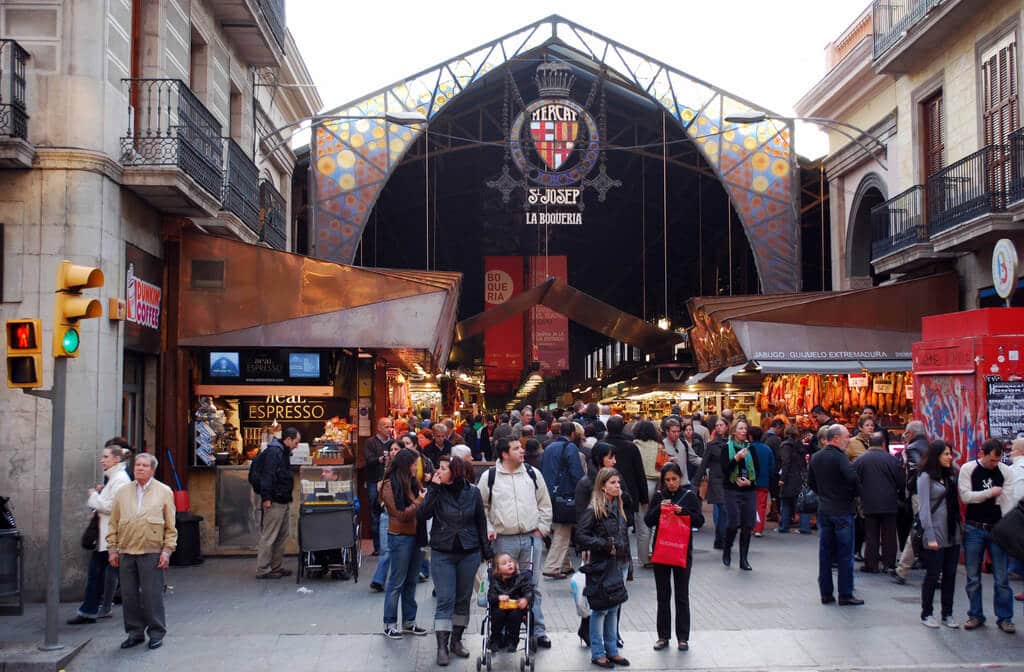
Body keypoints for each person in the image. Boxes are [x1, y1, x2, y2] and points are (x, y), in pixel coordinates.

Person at [478, 437, 553, 649]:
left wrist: (542, 529)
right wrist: (490, 529)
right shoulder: (490, 477)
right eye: (516, 448)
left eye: (521, 447)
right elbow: (481, 507)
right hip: (503, 540)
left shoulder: (532, 474)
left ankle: (538, 631)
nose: (522, 451)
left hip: (531, 537)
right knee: (504, 585)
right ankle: (501, 631)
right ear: (504, 453)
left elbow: (545, 503)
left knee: (532, 586)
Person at [419, 455, 490, 665]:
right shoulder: (437, 491)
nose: (438, 472)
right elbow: (423, 514)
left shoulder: (473, 492)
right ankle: (442, 645)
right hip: (443, 551)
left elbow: (481, 522)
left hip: (469, 551)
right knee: (445, 599)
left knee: (463, 599)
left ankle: (456, 641)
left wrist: (487, 551)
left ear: (455, 471)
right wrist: (433, 488)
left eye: (443, 468)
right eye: (438, 468)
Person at [106, 453, 177, 650]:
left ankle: (156, 632)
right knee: (129, 595)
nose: (140, 468)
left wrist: (167, 551)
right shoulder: (123, 492)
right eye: (137, 464)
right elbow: (113, 523)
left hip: (151, 550)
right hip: (127, 550)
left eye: (145, 465)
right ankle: (134, 632)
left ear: (152, 470)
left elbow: (171, 526)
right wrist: (112, 548)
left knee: (152, 595)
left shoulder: (164, 491)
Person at [68, 445, 132, 625]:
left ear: (116, 459)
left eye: (105, 457)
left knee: (101, 574)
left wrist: (94, 496)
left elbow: (112, 507)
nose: (102, 460)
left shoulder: (119, 479)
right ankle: (93, 610)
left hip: (111, 536)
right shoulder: (116, 478)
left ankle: (91, 611)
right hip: (108, 536)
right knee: (103, 574)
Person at [958, 438, 1016, 633]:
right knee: (973, 576)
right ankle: (975, 614)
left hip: (996, 527)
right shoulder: (968, 469)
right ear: (982, 454)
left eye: (997, 461)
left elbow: (1006, 501)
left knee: (1002, 578)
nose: (994, 464)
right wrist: (991, 493)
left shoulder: (1004, 471)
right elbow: (966, 497)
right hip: (974, 527)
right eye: (991, 460)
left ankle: (1005, 617)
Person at [645, 462, 704, 652]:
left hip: (682, 552)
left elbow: (699, 520)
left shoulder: (688, 496)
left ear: (680, 478)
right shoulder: (659, 496)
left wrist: (684, 512)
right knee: (663, 596)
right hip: (662, 551)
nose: (671, 483)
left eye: (674, 479)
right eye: (667, 480)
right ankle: (663, 636)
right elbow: (648, 521)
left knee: (681, 595)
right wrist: (659, 509)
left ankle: (683, 637)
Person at [575, 468, 630, 669]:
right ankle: (598, 653)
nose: (618, 486)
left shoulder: (618, 506)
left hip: (619, 563)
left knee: (614, 606)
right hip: (601, 566)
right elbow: (580, 536)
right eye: (613, 483)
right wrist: (603, 544)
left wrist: (629, 566)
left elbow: (623, 535)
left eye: (618, 482)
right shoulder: (594, 510)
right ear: (602, 486)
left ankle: (612, 650)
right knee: (600, 609)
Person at [808, 424, 863, 606]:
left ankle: (826, 593)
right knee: (844, 554)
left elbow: (812, 483)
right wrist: (853, 495)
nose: (848, 440)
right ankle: (845, 593)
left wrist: (823, 494)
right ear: (836, 438)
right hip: (842, 510)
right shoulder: (841, 458)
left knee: (825, 553)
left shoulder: (816, 458)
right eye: (846, 437)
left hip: (824, 509)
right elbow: (853, 478)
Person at [381, 448, 428, 639]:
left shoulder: (412, 481)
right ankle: (390, 623)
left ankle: (409, 621)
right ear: (405, 465)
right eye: (413, 464)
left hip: (416, 535)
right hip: (400, 535)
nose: (416, 467)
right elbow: (399, 514)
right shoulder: (388, 485)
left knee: (411, 581)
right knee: (397, 582)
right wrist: (419, 500)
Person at [918, 440, 963, 628]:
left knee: (951, 574)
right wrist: (930, 536)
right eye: (945, 454)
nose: (949, 457)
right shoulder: (925, 477)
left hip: (953, 531)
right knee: (933, 574)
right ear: (936, 456)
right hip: (936, 533)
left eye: (950, 454)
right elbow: (924, 509)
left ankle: (948, 613)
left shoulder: (951, 474)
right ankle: (926, 613)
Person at [854, 431, 904, 573]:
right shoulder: (892, 460)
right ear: (883, 444)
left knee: (871, 534)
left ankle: (871, 563)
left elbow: (855, 480)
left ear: (869, 444)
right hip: (889, 502)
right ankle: (889, 563)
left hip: (869, 502)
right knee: (889, 535)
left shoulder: (861, 460)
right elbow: (901, 481)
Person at [540, 421, 585, 579]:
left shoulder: (549, 448)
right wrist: (581, 491)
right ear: (573, 434)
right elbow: (576, 473)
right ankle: (552, 567)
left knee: (559, 528)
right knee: (563, 530)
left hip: (549, 493)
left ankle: (565, 565)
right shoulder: (570, 448)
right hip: (565, 495)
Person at [604, 416, 650, 566]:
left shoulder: (602, 446)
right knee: (635, 527)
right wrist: (644, 499)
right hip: (630, 493)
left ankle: (614, 559)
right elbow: (639, 473)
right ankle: (636, 559)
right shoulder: (630, 447)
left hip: (607, 492)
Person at [256, 427, 300, 579]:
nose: (297, 445)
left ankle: (275, 566)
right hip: (274, 500)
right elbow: (267, 476)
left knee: (281, 535)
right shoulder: (275, 453)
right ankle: (263, 569)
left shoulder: (283, 452)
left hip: (283, 499)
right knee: (270, 535)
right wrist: (266, 498)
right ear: (288, 439)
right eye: (296, 442)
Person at [719, 419, 759, 570]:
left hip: (748, 490)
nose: (744, 431)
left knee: (748, 524)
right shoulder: (726, 448)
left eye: (745, 429)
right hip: (731, 490)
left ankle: (744, 559)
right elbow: (725, 471)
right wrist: (736, 459)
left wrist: (750, 482)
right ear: (734, 431)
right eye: (741, 429)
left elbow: (758, 471)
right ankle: (727, 548)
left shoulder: (751, 449)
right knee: (733, 523)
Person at [894, 420, 931, 584]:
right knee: (924, 528)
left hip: (919, 493)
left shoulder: (913, 447)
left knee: (918, 529)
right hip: (931, 493)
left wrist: (908, 488)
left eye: (906, 433)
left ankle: (903, 568)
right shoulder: (929, 445)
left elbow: (915, 470)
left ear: (911, 433)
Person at [370, 437, 405, 592]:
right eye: (391, 449)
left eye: (396, 449)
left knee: (398, 549)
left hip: (400, 514)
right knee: (386, 549)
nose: (393, 452)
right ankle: (379, 579)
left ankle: (390, 578)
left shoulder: (407, 469)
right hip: (386, 512)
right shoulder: (386, 469)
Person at [487, 553, 534, 653]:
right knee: (497, 614)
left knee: (515, 615)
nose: (509, 564)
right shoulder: (495, 581)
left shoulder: (521, 578)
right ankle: (495, 639)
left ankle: (512, 641)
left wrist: (525, 599)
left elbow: (529, 591)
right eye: (504, 563)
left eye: (510, 561)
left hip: (516, 607)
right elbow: (490, 597)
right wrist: (499, 597)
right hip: (499, 607)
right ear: (497, 570)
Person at [695, 417, 729, 549]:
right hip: (716, 480)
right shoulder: (711, 445)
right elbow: (703, 464)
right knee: (722, 508)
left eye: (721, 425)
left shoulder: (732, 443)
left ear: (727, 427)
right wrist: (697, 482)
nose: (719, 427)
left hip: (729, 480)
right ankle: (722, 538)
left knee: (724, 509)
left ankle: (721, 538)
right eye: (717, 425)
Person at [365, 417, 394, 557]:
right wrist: (380, 459)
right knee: (375, 512)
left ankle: (389, 545)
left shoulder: (393, 442)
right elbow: (368, 460)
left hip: (388, 481)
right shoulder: (370, 442)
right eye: (386, 426)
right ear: (379, 427)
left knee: (389, 511)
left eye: (390, 426)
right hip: (373, 481)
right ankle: (377, 547)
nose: (389, 429)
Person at [777, 427, 812, 534]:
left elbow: (786, 463)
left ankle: (784, 526)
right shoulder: (800, 445)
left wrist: (782, 479)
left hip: (789, 477)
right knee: (802, 502)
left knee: (786, 501)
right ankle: (805, 527)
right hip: (801, 476)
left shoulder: (786, 445)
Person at [749, 427, 775, 537]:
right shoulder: (767, 449)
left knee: (749, 505)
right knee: (761, 506)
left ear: (750, 437)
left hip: (749, 482)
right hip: (764, 481)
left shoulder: (748, 448)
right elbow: (772, 467)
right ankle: (758, 528)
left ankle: (750, 526)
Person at [662, 419, 702, 484]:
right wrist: (667, 460)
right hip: (669, 486)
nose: (676, 434)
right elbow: (657, 467)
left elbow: (694, 459)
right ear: (667, 431)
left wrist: (708, 461)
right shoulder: (662, 446)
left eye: (678, 431)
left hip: (684, 484)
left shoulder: (684, 443)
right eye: (674, 432)